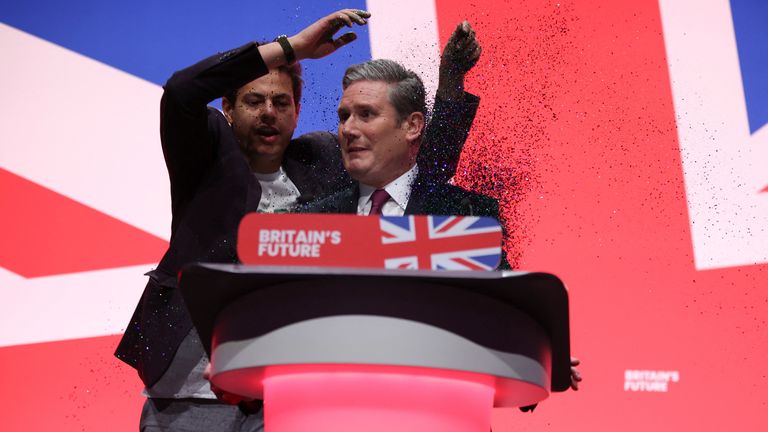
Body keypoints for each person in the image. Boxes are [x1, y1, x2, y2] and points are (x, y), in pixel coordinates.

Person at [114, 8, 484, 432]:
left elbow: (421, 175)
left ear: (297, 110)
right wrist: (294, 48)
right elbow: (181, 92)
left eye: (281, 102)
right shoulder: (206, 158)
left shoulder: (323, 158)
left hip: (289, 392)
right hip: (188, 397)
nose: (268, 112)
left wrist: (452, 84)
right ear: (227, 109)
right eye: (254, 101)